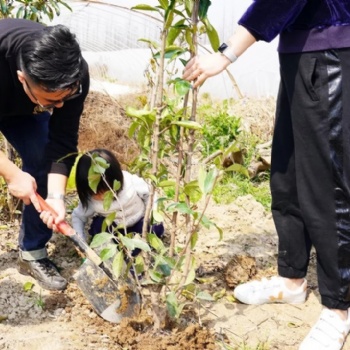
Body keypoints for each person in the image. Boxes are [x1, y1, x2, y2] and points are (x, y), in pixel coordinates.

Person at [183, 1, 350, 350]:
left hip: (332, 49)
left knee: (327, 187)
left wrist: (227, 52)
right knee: (287, 175)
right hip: (300, 49)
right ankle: (291, 281)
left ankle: (340, 309)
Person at [0, 18, 89, 291]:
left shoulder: (74, 74)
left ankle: (32, 253)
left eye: (65, 98)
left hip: (18, 111)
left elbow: (62, 141)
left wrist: (56, 197)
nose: (59, 106)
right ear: (22, 78)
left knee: (41, 155)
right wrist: (11, 173)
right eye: (52, 102)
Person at [71, 148, 164, 255]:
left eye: (105, 191)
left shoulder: (131, 183)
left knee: (155, 227)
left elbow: (150, 195)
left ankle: (134, 251)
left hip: (138, 223)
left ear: (117, 179)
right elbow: (78, 216)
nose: (101, 197)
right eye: (95, 193)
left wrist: (151, 215)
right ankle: (114, 249)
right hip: (115, 230)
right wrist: (80, 241)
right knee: (98, 225)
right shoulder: (89, 199)